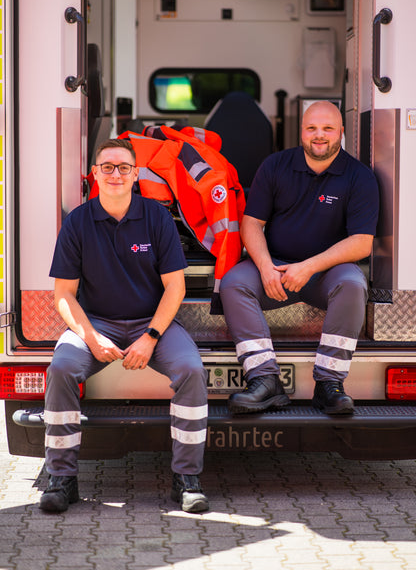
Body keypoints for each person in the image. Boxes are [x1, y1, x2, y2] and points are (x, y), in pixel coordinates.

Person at [40, 138, 209, 514]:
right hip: (97, 322)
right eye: (107, 167)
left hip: (151, 324)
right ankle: (62, 479)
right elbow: (64, 295)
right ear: (94, 174)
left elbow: (175, 287)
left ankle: (187, 480)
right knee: (63, 368)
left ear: (136, 174)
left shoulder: (157, 217)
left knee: (191, 370)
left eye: (124, 167)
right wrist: (91, 336)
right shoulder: (78, 222)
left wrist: (150, 337)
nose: (115, 174)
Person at [220, 101, 379, 416]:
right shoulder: (275, 165)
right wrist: (265, 267)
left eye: (328, 129)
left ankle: (328, 384)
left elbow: (361, 244)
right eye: (312, 128)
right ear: (301, 132)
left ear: (341, 133)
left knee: (352, 284)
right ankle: (264, 381)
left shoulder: (359, 177)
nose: (319, 136)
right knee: (234, 283)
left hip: (326, 273)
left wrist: (308, 267)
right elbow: (251, 224)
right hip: (276, 269)